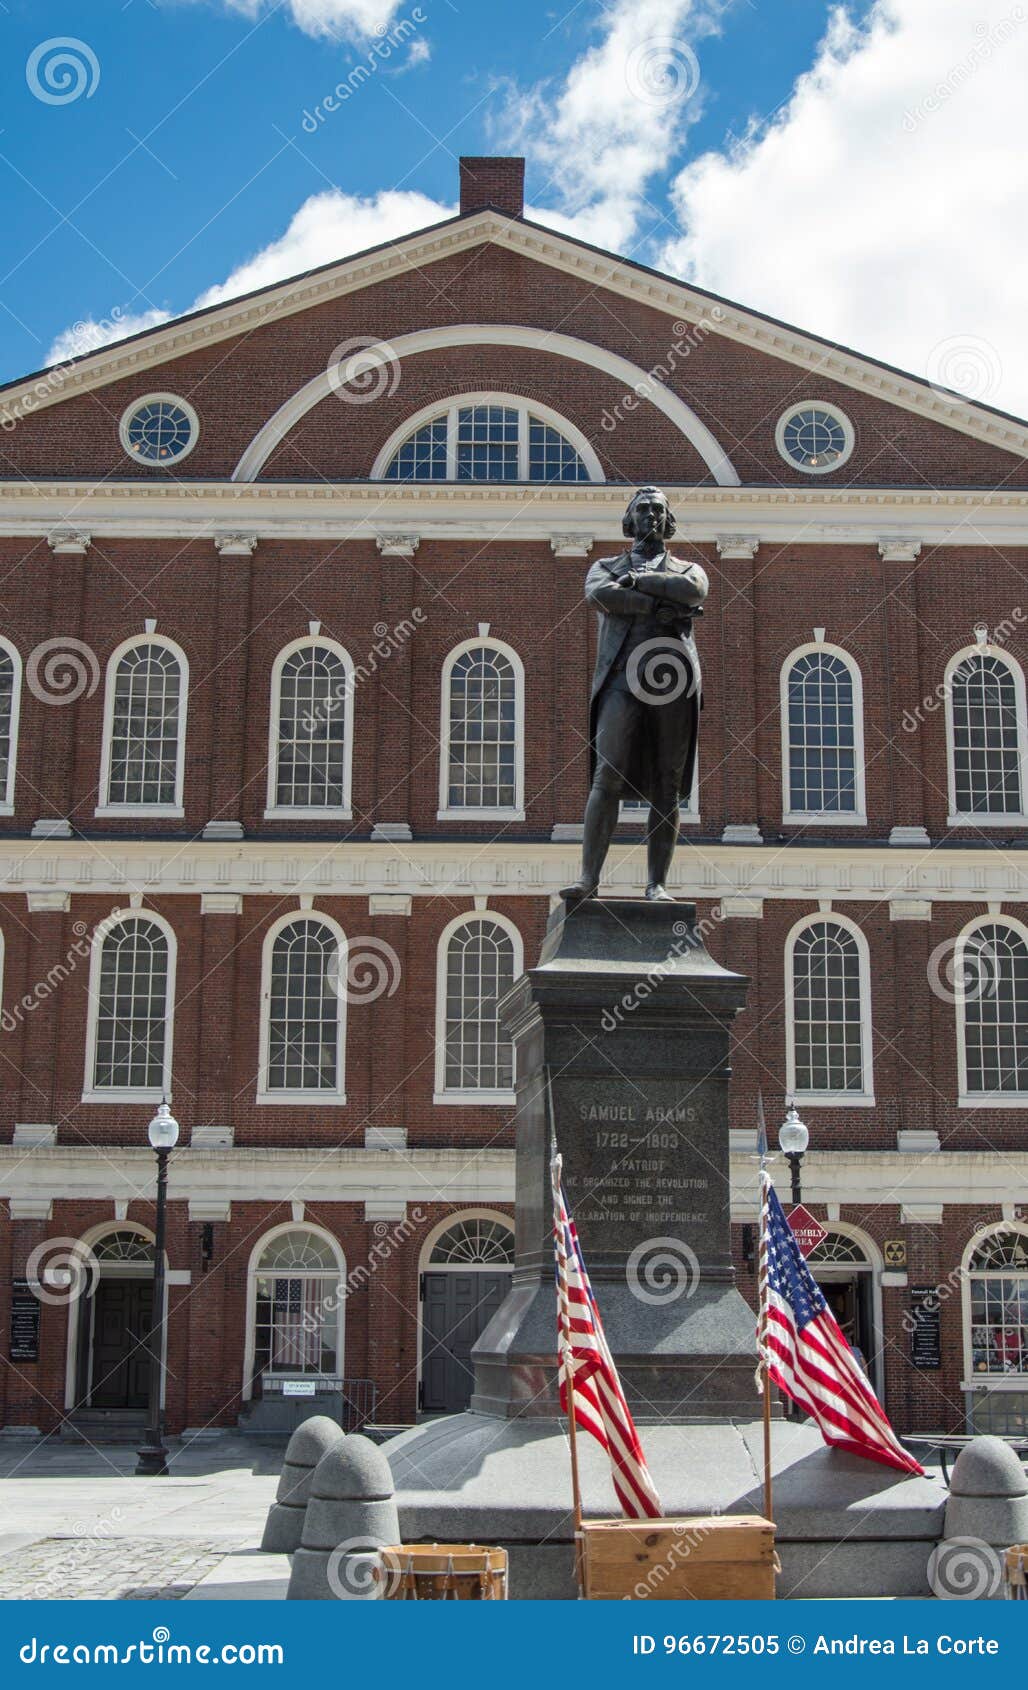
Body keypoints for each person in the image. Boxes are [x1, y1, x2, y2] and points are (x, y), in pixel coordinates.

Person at [563, 486, 708, 902]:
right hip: (621, 682)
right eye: (643, 509)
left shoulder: (687, 568)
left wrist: (641, 581)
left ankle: (656, 885)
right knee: (605, 776)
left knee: (669, 782)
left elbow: (696, 590)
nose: (651, 515)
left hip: (674, 683)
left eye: (659, 509)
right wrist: (657, 605)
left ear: (668, 520)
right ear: (629, 520)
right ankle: (589, 880)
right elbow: (598, 594)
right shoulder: (605, 566)